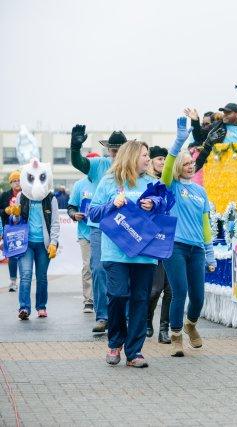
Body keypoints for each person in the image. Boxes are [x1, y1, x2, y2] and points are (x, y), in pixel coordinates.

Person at [89, 140, 158, 368]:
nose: (148, 159)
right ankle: (115, 342)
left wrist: (155, 203)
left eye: (148, 155)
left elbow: (166, 206)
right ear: (131, 156)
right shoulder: (110, 181)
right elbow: (93, 212)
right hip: (115, 253)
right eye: (144, 155)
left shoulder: (152, 182)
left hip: (145, 253)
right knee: (118, 296)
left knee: (140, 300)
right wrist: (112, 203)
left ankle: (134, 351)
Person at [161, 117, 216, 357]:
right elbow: (166, 168)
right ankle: (175, 336)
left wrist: (210, 253)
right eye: (185, 163)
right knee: (179, 292)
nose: (190, 166)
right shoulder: (170, 186)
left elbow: (206, 225)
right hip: (175, 247)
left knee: (198, 298)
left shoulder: (200, 191)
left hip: (196, 249)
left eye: (191, 162)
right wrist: (179, 142)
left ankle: (190, 325)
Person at [70, 126, 127, 333]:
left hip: (124, 227)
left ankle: (123, 315)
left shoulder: (133, 168)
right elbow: (79, 163)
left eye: (120, 150)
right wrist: (75, 147)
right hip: (98, 226)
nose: (116, 154)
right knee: (98, 268)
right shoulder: (99, 165)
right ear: (108, 151)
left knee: (124, 270)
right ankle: (102, 315)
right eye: (113, 150)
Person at [8, 160, 59, 320]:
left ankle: (41, 307)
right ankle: (24, 307)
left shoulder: (51, 199)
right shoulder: (21, 197)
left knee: (42, 276)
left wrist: (53, 243)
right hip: (26, 243)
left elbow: (55, 223)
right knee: (26, 274)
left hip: (43, 244)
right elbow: (15, 222)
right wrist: (15, 213)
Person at [67, 152, 100, 313]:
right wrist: (74, 214)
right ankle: (88, 300)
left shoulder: (105, 182)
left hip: (103, 231)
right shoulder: (79, 185)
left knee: (100, 267)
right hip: (85, 233)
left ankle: (103, 298)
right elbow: (71, 206)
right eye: (89, 163)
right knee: (88, 266)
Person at [145, 145, 172, 344]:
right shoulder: (148, 184)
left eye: (165, 158)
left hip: (173, 236)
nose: (162, 162)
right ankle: (147, 320)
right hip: (154, 238)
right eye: (158, 158)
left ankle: (165, 329)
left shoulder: (172, 182)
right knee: (155, 289)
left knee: (171, 289)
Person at [195, 103, 237, 171]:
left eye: (228, 113)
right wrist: (195, 122)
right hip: (219, 171)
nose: (225, 115)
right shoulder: (216, 126)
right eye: (224, 113)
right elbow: (199, 137)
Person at [1, 170, 22, 292]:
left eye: (19, 180)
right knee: (12, 256)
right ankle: (13, 281)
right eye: (14, 181)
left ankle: (25, 280)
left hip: (24, 229)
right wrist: (6, 211)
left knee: (24, 256)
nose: (17, 183)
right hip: (9, 229)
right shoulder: (4, 195)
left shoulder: (26, 194)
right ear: (10, 183)